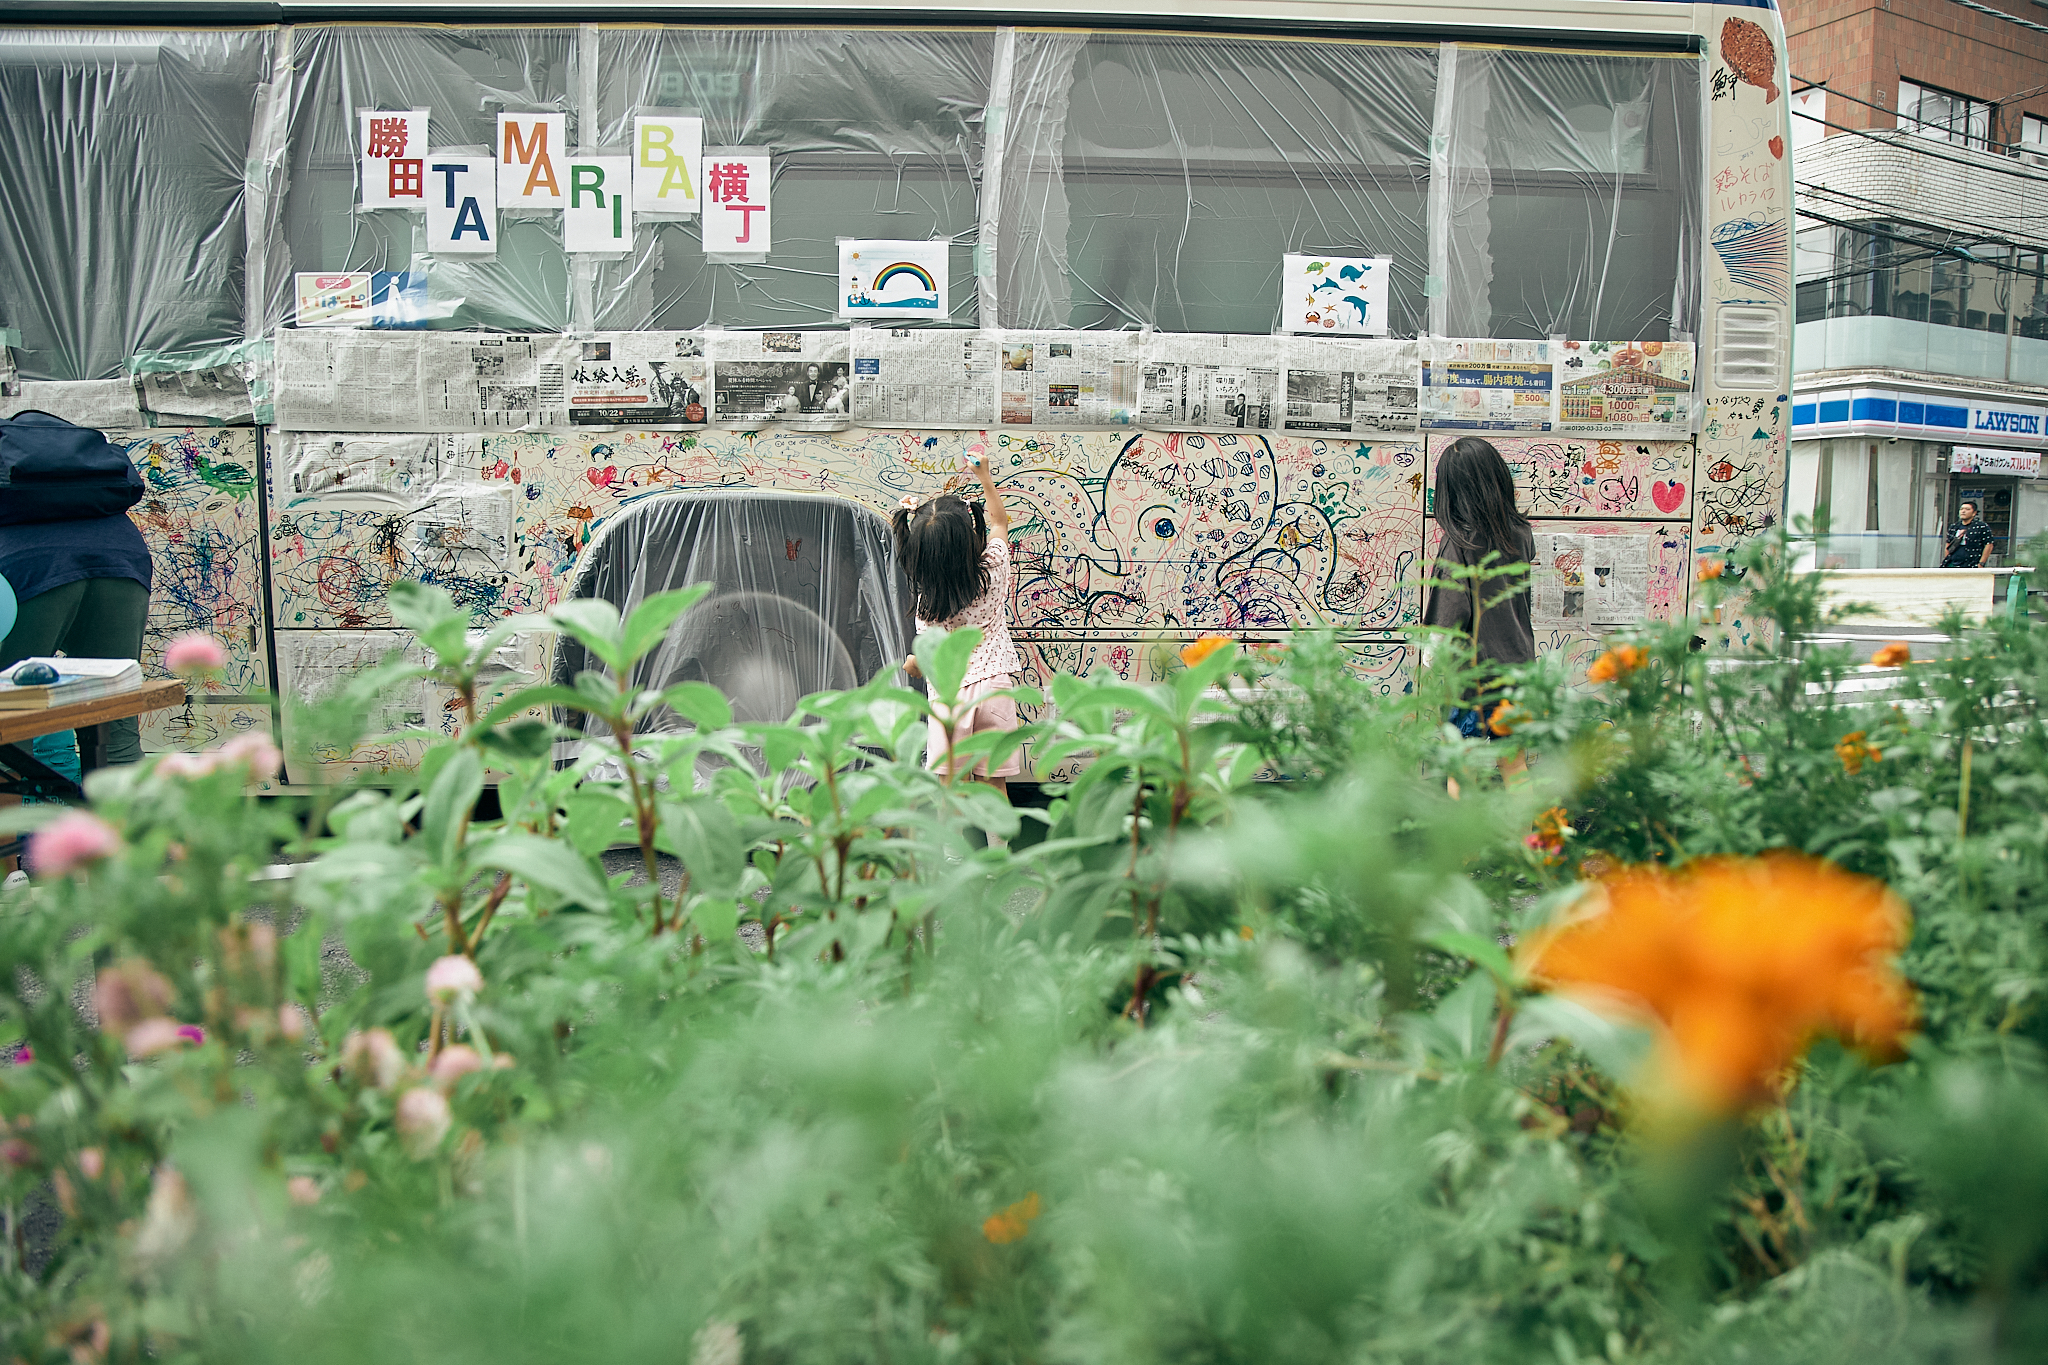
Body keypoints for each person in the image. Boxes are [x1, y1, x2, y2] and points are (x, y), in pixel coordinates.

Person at [893, 447, 1023, 801]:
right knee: (993, 782)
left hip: (950, 697)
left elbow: (928, 656)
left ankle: (948, 854)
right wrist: (984, 477)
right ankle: (1000, 850)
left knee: (949, 782)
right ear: (970, 538)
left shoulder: (928, 605)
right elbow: (999, 522)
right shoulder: (993, 569)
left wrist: (914, 664)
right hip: (994, 684)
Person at [0, 513, 153, 766]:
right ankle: (122, 804)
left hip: (22, 561)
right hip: (119, 552)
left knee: (8, 735)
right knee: (116, 732)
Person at [1422, 436, 1535, 740]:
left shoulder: (1460, 542)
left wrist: (1430, 659)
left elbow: (1449, 613)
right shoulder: (1521, 534)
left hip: (1473, 678)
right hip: (1517, 667)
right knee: (1513, 762)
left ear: (1451, 492)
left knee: (1462, 765)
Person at [1942, 498, 1996, 568]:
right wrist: (1947, 559)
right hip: (1953, 562)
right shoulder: (1954, 526)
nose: (1963, 511)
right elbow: (1948, 544)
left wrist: (1981, 563)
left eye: (1967, 509)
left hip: (1972, 563)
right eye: (1961, 509)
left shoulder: (1981, 526)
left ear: (1974, 513)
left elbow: (1989, 544)